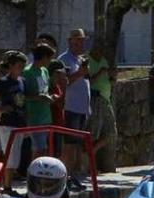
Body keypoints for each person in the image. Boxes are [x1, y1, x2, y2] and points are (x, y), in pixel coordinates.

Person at [0, 51, 28, 191]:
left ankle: (8, 185)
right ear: (11, 66)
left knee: (16, 157)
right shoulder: (4, 82)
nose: (21, 68)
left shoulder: (22, 81)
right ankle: (7, 187)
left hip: (19, 122)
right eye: (18, 65)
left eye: (23, 66)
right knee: (10, 156)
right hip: (8, 123)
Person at [58, 28, 91, 174]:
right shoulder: (64, 59)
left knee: (78, 144)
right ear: (70, 41)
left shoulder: (80, 59)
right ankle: (67, 174)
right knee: (70, 144)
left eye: (82, 40)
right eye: (77, 40)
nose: (80, 43)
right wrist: (79, 73)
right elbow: (63, 82)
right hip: (71, 107)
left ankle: (75, 174)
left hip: (83, 108)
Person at [88, 41, 118, 168]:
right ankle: (90, 164)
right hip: (96, 98)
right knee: (94, 132)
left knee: (111, 132)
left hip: (106, 99)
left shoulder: (104, 61)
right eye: (99, 50)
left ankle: (94, 150)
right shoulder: (88, 62)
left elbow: (109, 81)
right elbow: (88, 81)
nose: (101, 53)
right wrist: (100, 72)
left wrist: (112, 77)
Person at [24, 43, 56, 158]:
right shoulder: (27, 72)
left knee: (43, 149)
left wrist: (50, 97)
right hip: (34, 117)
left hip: (46, 116)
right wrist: (39, 97)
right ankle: (34, 173)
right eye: (49, 58)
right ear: (43, 57)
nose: (50, 61)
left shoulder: (45, 71)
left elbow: (45, 90)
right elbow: (23, 95)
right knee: (38, 149)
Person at [48, 60, 68, 159]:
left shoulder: (57, 86)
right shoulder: (50, 87)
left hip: (59, 124)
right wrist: (64, 88)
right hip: (52, 124)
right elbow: (60, 104)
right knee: (53, 153)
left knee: (58, 152)